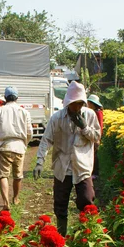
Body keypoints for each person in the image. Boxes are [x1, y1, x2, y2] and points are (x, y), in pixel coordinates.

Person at [33, 81, 101, 236]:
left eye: (80, 104)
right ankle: (61, 235)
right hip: (62, 167)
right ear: (68, 102)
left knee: (87, 200)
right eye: (74, 104)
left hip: (82, 166)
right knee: (60, 204)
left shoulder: (90, 116)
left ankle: (85, 235)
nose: (76, 108)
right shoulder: (57, 118)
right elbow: (46, 140)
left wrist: (85, 127)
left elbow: (97, 137)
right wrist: (39, 161)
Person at [0, 86, 32, 211]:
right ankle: (16, 198)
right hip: (19, 147)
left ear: (5, 98)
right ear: (17, 98)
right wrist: (25, 143)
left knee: (3, 175)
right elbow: (29, 132)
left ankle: (6, 203)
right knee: (18, 175)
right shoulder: (24, 112)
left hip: (4, 146)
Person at [87, 94, 104, 179]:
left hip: (96, 136)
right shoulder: (94, 112)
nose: (87, 104)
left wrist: (98, 138)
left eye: (89, 103)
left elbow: (100, 126)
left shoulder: (98, 112)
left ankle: (95, 173)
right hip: (93, 135)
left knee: (94, 155)